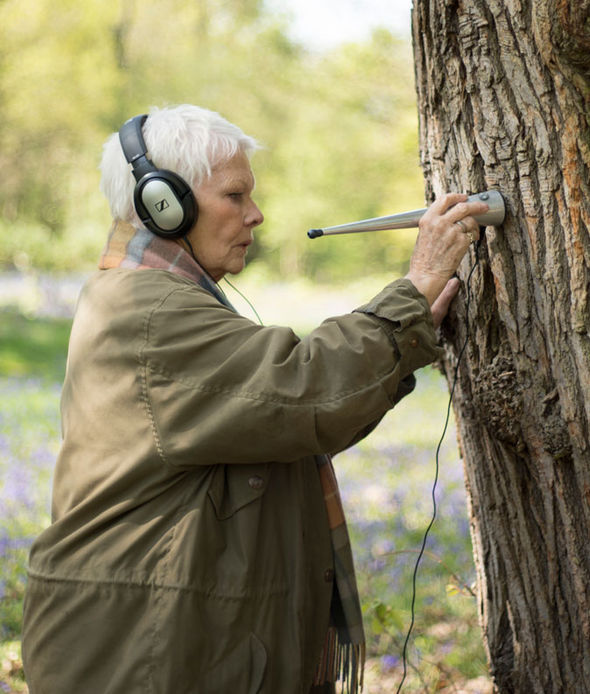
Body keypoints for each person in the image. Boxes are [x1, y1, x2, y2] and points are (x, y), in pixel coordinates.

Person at [22, 104, 488, 694]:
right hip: (143, 653)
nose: (256, 215)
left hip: (160, 639)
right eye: (235, 196)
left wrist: (404, 331)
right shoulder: (148, 311)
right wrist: (414, 290)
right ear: (164, 205)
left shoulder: (146, 296)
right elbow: (304, 391)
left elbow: (286, 419)